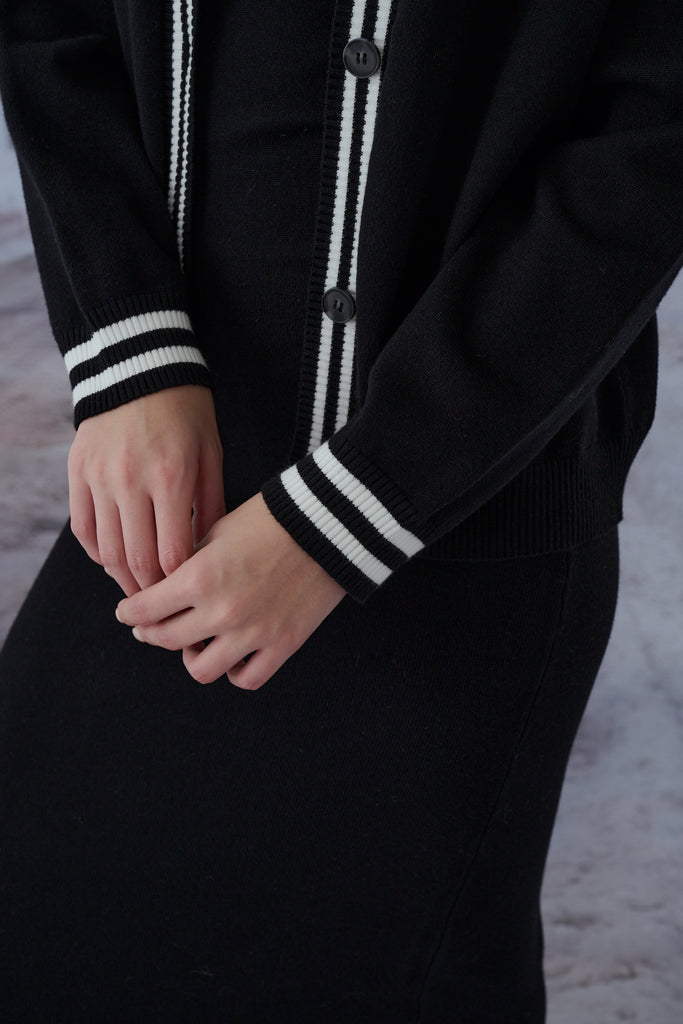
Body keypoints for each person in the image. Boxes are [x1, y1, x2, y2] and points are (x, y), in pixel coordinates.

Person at [0, 1, 680, 1020]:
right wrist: (126, 349)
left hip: (457, 504)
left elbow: (651, 136)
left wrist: (351, 506)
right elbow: (53, 28)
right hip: (169, 480)